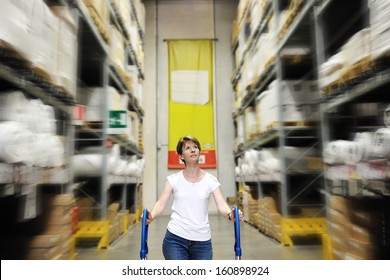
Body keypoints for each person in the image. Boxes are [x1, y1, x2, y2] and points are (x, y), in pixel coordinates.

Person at [144, 135, 244, 260]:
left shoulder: (210, 180)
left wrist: (231, 214)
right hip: (175, 240)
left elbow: (222, 204)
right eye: (188, 148)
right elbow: (160, 203)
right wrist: (151, 215)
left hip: (202, 242)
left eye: (195, 147)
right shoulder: (173, 180)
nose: (193, 150)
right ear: (181, 156)